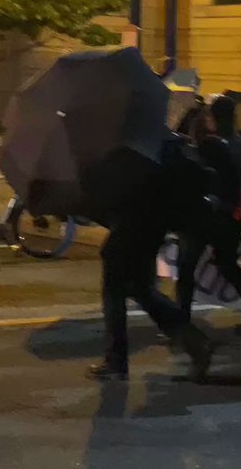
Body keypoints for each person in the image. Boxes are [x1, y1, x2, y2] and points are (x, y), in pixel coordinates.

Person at [88, 137, 213, 383]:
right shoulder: (160, 144)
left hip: (128, 231)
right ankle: (192, 340)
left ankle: (116, 362)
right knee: (142, 290)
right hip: (152, 231)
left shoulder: (127, 152)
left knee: (115, 293)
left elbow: (111, 195)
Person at [177, 96, 241, 341]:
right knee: (228, 265)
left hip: (205, 215)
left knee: (186, 268)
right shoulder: (240, 142)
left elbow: (199, 177)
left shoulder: (210, 146)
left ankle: (181, 323)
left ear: (212, 118)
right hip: (231, 216)